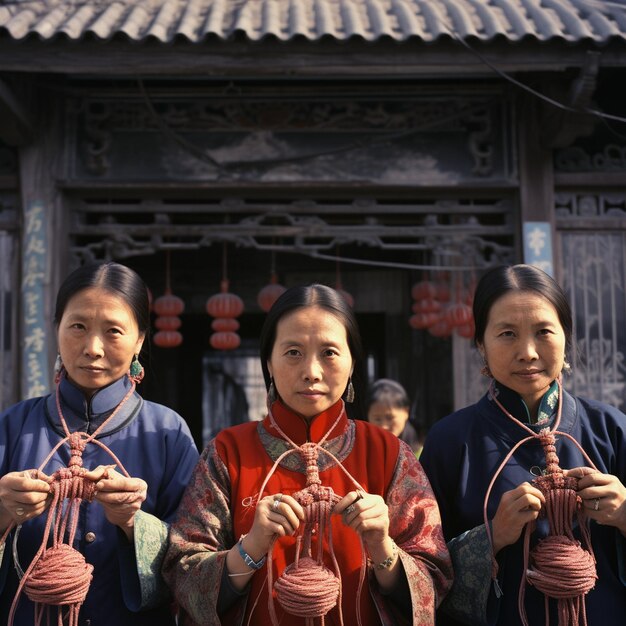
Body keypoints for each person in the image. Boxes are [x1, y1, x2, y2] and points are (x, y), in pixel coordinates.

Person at [163, 283, 453, 625]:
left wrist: (383, 547)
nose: (311, 372)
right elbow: (183, 576)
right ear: (269, 362)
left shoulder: (390, 453)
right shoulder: (228, 453)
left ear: (352, 363)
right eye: (293, 352)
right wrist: (251, 547)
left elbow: (435, 582)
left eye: (329, 352)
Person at [420, 264, 626, 626]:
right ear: (481, 344)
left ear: (566, 337)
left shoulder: (611, 429)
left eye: (543, 331)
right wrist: (492, 537)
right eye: (507, 334)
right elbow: (423, 571)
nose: (527, 351)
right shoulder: (449, 442)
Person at [0, 262, 199, 626]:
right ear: (56, 328)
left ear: (139, 339)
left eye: (113, 331)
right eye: (78, 326)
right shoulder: (13, 426)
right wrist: (2, 513)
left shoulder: (168, 432)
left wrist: (134, 524)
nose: (93, 348)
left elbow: (195, 562)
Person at [366, 378, 423, 458]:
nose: (384, 426)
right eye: (377, 419)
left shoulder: (421, 454)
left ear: (406, 412)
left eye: (390, 418)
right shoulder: (363, 452)